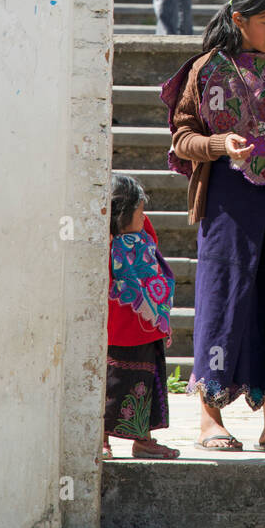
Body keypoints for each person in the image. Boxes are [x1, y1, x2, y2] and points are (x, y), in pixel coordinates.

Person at [160, 0, 265, 453]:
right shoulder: (210, 69)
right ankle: (210, 417)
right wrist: (217, 143)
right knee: (225, 298)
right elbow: (181, 138)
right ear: (238, 20)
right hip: (230, 197)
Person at [104, 174, 179, 460]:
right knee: (110, 383)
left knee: (146, 382)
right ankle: (102, 439)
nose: (144, 216)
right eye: (138, 211)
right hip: (117, 328)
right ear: (121, 214)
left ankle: (143, 438)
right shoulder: (106, 241)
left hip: (146, 329)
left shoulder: (143, 233)